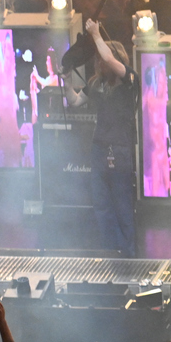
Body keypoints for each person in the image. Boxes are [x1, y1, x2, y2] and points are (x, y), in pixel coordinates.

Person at [66, 20, 136, 256]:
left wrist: (96, 34)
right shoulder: (97, 83)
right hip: (99, 148)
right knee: (102, 204)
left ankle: (128, 253)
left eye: (101, 58)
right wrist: (67, 81)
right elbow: (75, 101)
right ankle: (110, 251)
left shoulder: (129, 79)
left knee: (122, 203)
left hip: (120, 148)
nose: (98, 62)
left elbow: (110, 60)